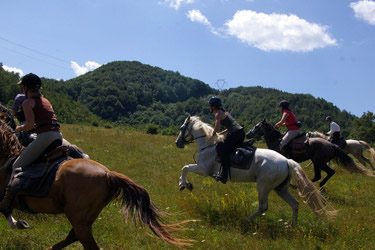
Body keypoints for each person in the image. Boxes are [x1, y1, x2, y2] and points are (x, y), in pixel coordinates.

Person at [0, 73, 62, 217]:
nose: (22, 88)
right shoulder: (45, 100)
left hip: (45, 137)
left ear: (26, 87)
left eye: (22, 86)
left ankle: (6, 202)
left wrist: (17, 129)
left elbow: (30, 125)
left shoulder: (27, 102)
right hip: (57, 136)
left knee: (16, 166)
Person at [208, 96, 245, 184]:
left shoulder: (217, 114)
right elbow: (229, 128)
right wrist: (220, 134)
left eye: (209, 105)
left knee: (223, 151)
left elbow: (216, 127)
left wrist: (212, 136)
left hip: (235, 134)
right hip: (240, 133)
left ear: (213, 106)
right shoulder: (224, 112)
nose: (209, 107)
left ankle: (224, 176)